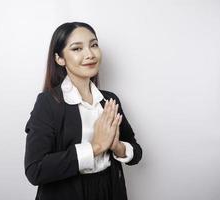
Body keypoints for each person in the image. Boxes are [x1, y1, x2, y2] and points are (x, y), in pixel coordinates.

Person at [24, 22, 142, 200]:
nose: (90, 54)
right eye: (77, 48)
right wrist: (96, 147)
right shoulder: (48, 102)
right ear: (59, 59)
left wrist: (117, 146)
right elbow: (35, 170)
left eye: (93, 45)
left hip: (110, 189)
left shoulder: (109, 100)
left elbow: (136, 153)